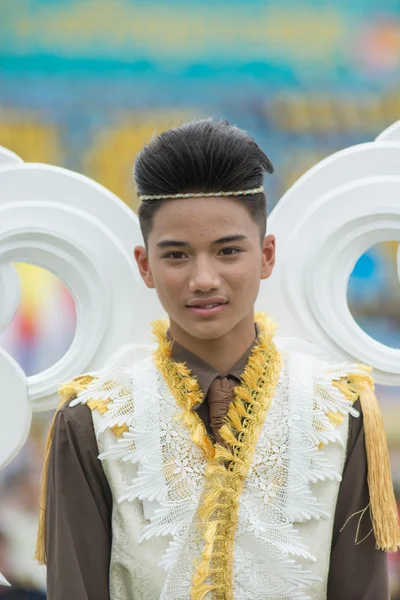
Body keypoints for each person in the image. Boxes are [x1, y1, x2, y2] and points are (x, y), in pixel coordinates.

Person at [36, 119, 399, 599]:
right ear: (145, 265)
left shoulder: (339, 409)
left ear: (267, 256)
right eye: (177, 256)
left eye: (228, 251)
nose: (204, 278)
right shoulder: (92, 417)